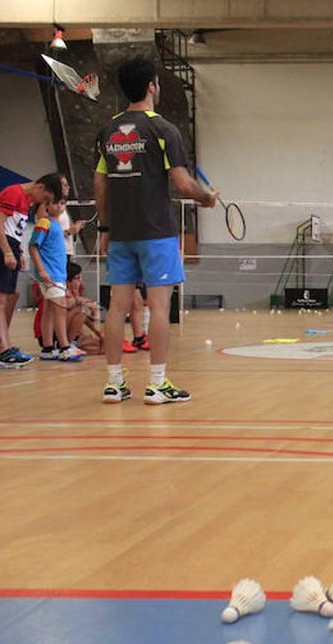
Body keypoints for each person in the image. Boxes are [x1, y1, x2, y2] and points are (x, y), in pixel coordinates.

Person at [94, 57, 217, 404]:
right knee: (159, 308)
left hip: (121, 233)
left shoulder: (107, 131)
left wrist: (105, 227)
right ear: (151, 86)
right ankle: (157, 384)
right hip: (157, 232)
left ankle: (114, 383)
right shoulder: (164, 130)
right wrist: (206, 199)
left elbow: (100, 183)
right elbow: (182, 183)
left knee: (117, 307)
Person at [0, 173, 62, 368]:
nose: (43, 204)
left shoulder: (25, 199)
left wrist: (18, 251)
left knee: (11, 295)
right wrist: (6, 251)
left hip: (11, 245)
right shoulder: (14, 193)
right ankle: (3, 349)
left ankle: (0, 343)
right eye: (45, 198)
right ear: (41, 188)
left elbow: (15, 228)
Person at [28, 197, 86, 362]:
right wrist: (42, 270)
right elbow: (33, 246)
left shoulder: (56, 226)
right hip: (51, 275)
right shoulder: (44, 223)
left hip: (58, 274)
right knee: (60, 311)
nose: (60, 206)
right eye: (55, 203)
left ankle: (48, 347)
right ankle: (64, 347)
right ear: (46, 206)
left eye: (62, 203)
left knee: (49, 311)